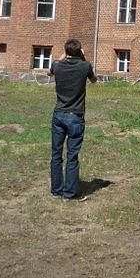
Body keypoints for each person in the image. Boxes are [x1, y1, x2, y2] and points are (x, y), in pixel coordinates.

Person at [48, 39, 96, 201]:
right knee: (72, 156)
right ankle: (70, 193)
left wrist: (64, 55)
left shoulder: (57, 65)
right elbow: (94, 80)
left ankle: (56, 190)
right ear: (80, 51)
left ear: (66, 51)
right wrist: (83, 57)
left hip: (58, 114)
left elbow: (50, 72)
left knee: (56, 154)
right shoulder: (85, 66)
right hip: (75, 116)